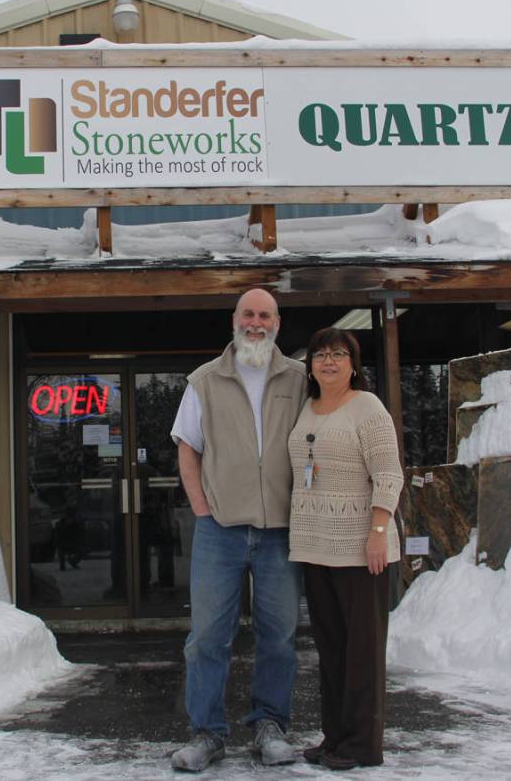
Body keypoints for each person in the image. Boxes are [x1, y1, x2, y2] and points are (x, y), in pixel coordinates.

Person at [168, 288, 308, 772]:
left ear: (277, 323)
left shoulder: (299, 377)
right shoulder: (205, 380)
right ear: (234, 319)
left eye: (264, 315)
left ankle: (270, 726)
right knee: (207, 637)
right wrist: (203, 510)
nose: (256, 322)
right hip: (220, 530)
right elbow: (188, 449)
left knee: (279, 636)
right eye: (248, 313)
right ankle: (207, 734)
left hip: (280, 533)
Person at [288, 328, 403, 771]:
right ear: (311, 365)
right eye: (320, 354)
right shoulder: (307, 408)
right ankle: (334, 737)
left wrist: (378, 530)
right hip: (316, 546)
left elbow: (388, 474)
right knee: (332, 649)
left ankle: (361, 745)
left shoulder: (367, 408)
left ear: (354, 364)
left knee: (362, 653)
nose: (329, 361)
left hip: (360, 549)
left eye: (339, 354)